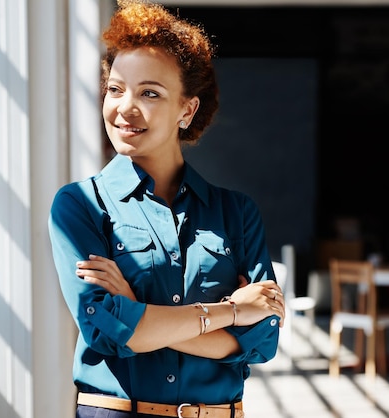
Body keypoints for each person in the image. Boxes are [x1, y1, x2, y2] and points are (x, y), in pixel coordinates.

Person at [48, 2, 285, 417]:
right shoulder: (80, 206)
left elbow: (261, 341)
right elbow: (107, 331)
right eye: (116, 89)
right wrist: (231, 312)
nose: (124, 108)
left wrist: (140, 316)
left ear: (186, 110)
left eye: (149, 93)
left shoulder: (237, 214)